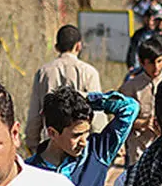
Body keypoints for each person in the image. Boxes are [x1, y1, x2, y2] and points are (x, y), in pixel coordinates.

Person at [24, 25, 103, 153]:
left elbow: (35, 114)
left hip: (52, 144)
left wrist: (32, 144)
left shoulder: (44, 72)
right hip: (80, 147)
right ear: (78, 46)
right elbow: (98, 115)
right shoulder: (89, 72)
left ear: (56, 47)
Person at [118, 35, 162, 168]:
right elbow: (122, 119)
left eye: (159, 61)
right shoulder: (130, 87)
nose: (156, 67)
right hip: (139, 147)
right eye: (151, 63)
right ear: (142, 62)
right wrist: (143, 123)